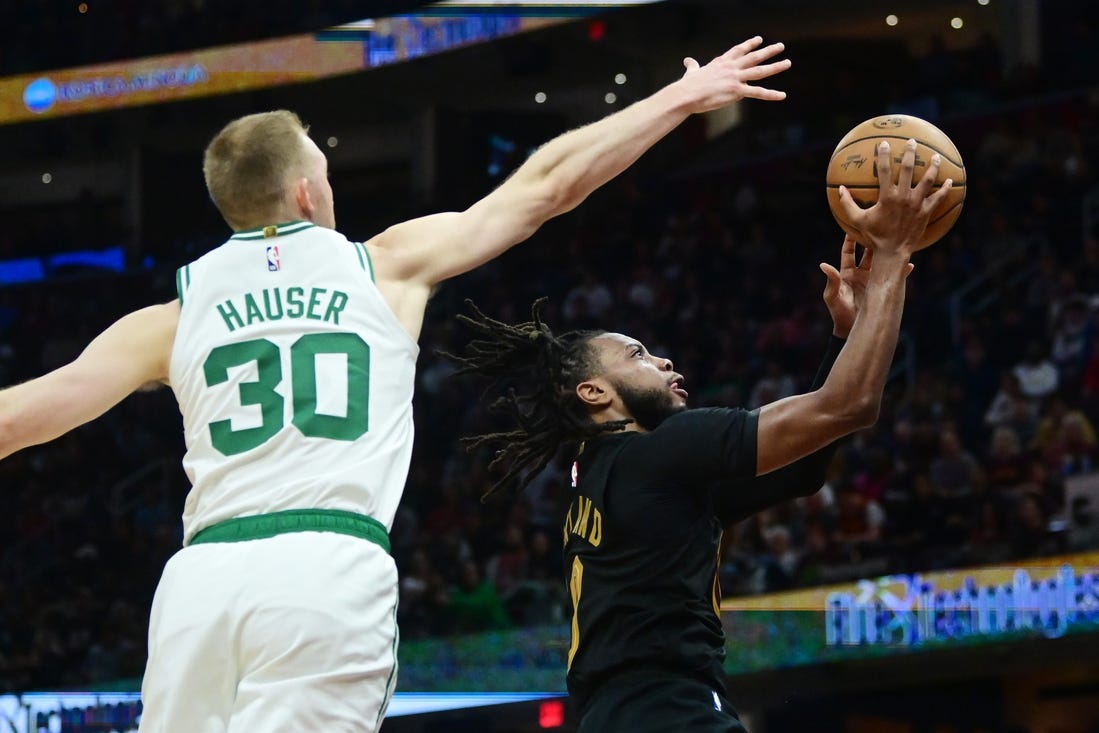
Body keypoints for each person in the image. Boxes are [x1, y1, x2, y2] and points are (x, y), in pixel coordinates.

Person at [0, 38, 792, 732]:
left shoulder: (172, 313)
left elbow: (22, 419)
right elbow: (546, 186)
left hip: (201, 578)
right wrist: (679, 98)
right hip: (326, 568)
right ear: (308, 192)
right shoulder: (381, 265)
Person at [446, 139, 952, 732]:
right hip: (670, 711)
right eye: (637, 354)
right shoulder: (660, 452)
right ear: (593, 393)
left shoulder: (614, 480)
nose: (663, 361)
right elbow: (850, 405)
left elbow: (802, 469)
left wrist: (848, 336)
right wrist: (891, 256)